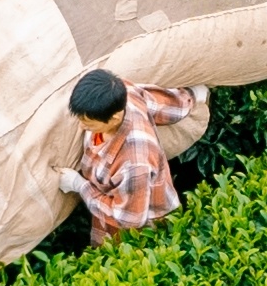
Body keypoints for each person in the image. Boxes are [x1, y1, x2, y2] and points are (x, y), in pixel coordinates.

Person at [53, 66, 210, 241]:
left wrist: (80, 186)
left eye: (88, 123)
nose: (82, 126)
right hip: (115, 197)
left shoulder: (134, 164)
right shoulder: (124, 95)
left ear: (114, 119)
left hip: (137, 229)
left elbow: (128, 220)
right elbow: (160, 104)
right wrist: (191, 97)